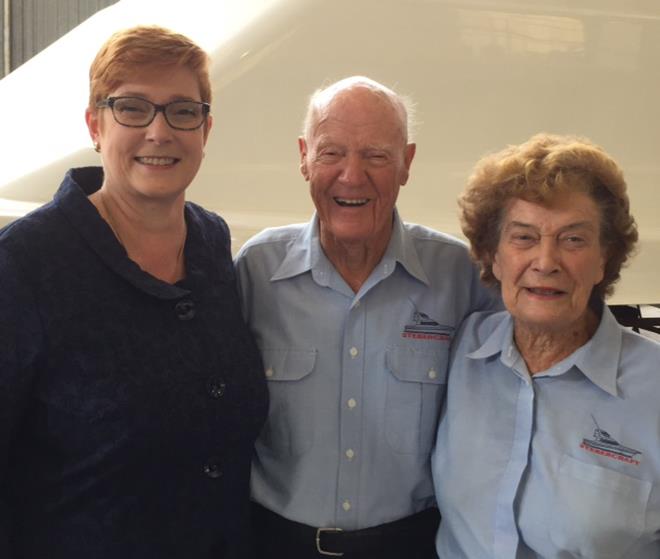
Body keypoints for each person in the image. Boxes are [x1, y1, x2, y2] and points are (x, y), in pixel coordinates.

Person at [0, 25, 268, 559]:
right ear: (94, 125)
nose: (159, 131)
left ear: (206, 129)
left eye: (182, 111)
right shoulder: (24, 264)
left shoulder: (212, 242)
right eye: (133, 108)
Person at [235, 76, 497, 558]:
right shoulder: (255, 271)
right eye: (331, 152)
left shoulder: (460, 278)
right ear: (304, 156)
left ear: (407, 163)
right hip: (275, 544)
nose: (352, 176)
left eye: (375, 155)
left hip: (412, 546)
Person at [432, 133, 660, 558]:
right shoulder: (460, 352)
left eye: (573, 239)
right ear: (493, 256)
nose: (546, 261)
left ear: (604, 259)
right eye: (523, 237)